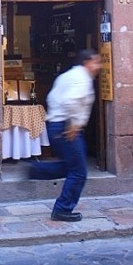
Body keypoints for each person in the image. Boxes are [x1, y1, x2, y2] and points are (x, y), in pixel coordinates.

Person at [28, 48, 102, 222]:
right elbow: (71, 100)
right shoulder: (81, 79)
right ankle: (62, 209)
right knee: (79, 172)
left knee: (73, 167)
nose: (98, 66)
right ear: (86, 63)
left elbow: (52, 98)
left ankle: (35, 169)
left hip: (56, 125)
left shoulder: (66, 76)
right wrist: (73, 124)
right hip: (66, 128)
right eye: (96, 62)